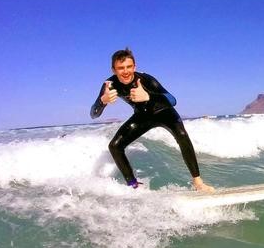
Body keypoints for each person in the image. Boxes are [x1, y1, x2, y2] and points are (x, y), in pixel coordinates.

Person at [90, 48, 215, 191]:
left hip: (164, 112)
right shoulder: (109, 85)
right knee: (115, 146)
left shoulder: (146, 79)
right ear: (113, 70)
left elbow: (172, 100)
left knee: (182, 135)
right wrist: (103, 100)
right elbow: (94, 114)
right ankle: (133, 185)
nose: (125, 71)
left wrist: (149, 96)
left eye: (129, 67)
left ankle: (198, 182)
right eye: (120, 68)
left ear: (134, 67)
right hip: (142, 115)